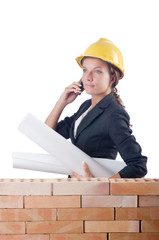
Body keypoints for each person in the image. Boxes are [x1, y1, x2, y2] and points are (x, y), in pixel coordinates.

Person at [45, 38, 147, 178]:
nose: (88, 77)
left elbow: (138, 165)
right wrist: (62, 102)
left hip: (95, 195)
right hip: (75, 189)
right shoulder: (86, 106)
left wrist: (100, 184)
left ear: (112, 78)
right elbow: (47, 136)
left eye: (97, 71)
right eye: (85, 70)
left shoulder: (114, 115)